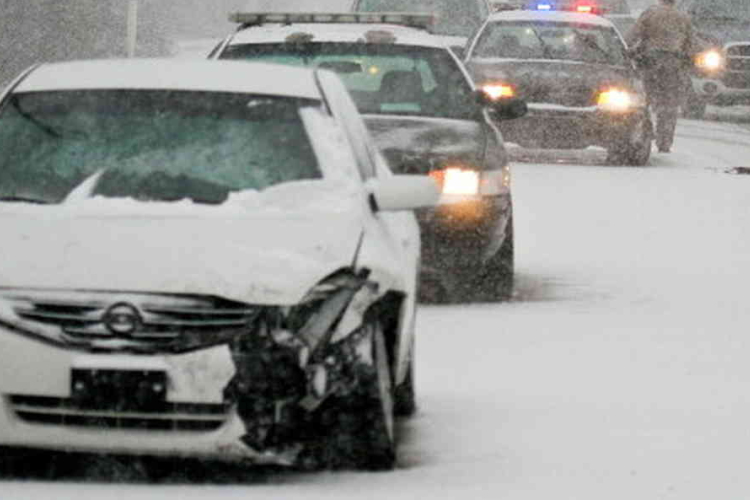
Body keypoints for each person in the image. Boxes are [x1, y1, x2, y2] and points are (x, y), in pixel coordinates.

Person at [625, 0, 697, 153]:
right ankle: (664, 141)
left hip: (651, 63)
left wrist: (626, 50)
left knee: (644, 100)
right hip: (673, 65)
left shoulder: (650, 14)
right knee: (669, 105)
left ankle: (641, 135)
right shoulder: (683, 17)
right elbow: (690, 44)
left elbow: (633, 36)